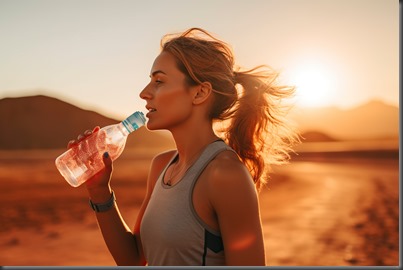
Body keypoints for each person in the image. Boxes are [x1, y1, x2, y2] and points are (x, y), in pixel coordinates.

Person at [68, 27, 298, 266]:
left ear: (199, 93)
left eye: (159, 81)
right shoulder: (161, 166)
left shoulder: (225, 174)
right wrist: (100, 192)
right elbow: (133, 258)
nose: (144, 93)